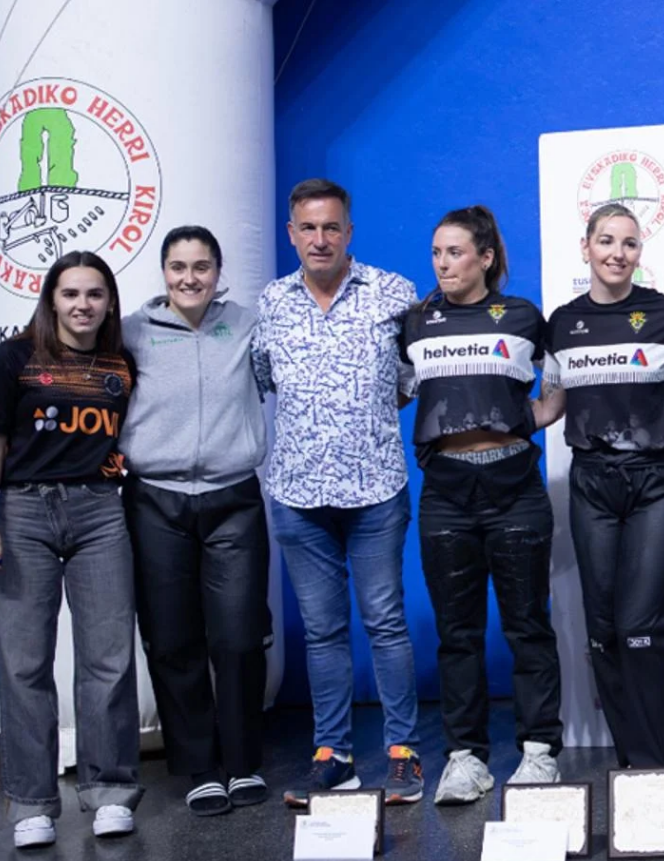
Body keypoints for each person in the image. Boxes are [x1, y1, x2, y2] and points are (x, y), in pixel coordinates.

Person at [254, 179, 423, 806]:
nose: (320, 239)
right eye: (308, 228)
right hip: (297, 491)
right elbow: (265, 379)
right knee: (323, 631)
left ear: (349, 232)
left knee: (384, 621)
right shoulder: (272, 301)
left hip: (376, 486)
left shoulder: (393, 293)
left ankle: (403, 753)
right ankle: (335, 755)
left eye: (332, 227)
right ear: (291, 233)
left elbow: (409, 382)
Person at [0, 252, 141, 848]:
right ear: (51, 299)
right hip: (21, 514)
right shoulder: (15, 357)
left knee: (109, 659)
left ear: (109, 302)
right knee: (22, 665)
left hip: (100, 511)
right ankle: (32, 804)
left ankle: (111, 793)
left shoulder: (124, 362)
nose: (82, 305)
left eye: (94, 294)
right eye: (70, 293)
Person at [540, 203, 664, 769]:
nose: (618, 253)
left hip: (660, 482)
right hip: (592, 483)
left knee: (641, 629)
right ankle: (634, 767)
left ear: (641, 252)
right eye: (607, 241)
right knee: (603, 633)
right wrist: (482, 414)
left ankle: (661, 768)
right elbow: (549, 407)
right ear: (586, 247)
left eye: (630, 244)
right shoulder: (562, 323)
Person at [399, 206, 565, 804]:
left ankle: (540, 751)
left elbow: (557, 379)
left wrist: (533, 418)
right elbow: (397, 389)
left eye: (455, 253)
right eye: (437, 254)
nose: (443, 264)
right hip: (445, 492)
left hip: (514, 488)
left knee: (527, 626)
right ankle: (466, 759)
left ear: (486, 257)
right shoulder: (417, 321)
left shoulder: (521, 316)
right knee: (457, 634)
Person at [121, 227, 272, 815]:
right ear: (163, 272)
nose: (190, 278)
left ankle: (241, 763)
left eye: (202, 267)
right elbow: (71, 361)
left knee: (236, 638)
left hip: (233, 496)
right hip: (156, 499)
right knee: (173, 638)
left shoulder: (248, 323)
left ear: (218, 270)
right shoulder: (132, 331)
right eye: (179, 267)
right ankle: (199, 767)